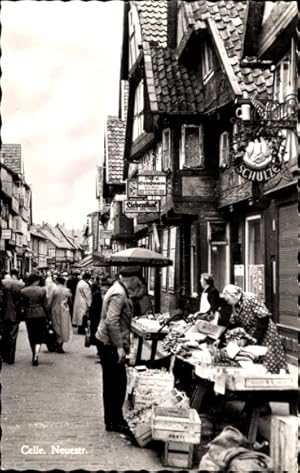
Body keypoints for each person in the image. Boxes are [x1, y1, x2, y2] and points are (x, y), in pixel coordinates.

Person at [95, 266, 141, 437]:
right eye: (137, 280)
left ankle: (113, 420)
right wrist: (120, 347)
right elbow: (111, 321)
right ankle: (114, 420)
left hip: (106, 342)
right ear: (131, 278)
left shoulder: (119, 290)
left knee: (113, 383)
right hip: (110, 344)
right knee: (117, 383)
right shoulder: (119, 294)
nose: (138, 283)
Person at [221, 284, 288, 374]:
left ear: (233, 296)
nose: (227, 303)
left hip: (265, 332)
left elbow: (263, 318)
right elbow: (232, 323)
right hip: (251, 333)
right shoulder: (235, 305)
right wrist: (221, 338)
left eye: (227, 300)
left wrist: (256, 338)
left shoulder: (250, 298)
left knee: (269, 357)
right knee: (256, 358)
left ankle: (274, 378)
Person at [21, 273, 50, 366]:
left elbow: (22, 304)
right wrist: (48, 316)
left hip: (28, 314)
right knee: (39, 335)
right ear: (37, 280)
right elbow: (45, 304)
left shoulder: (24, 291)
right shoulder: (42, 290)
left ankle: (33, 351)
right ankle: (36, 355)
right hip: (40, 314)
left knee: (31, 334)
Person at [1, 269, 25, 364]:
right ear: (17, 274)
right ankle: (11, 357)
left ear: (10, 274)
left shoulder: (3, 282)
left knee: (5, 335)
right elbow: (22, 301)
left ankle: (4, 356)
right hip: (15, 314)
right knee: (13, 336)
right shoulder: (20, 285)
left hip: (4, 313)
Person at [48, 276, 72, 353]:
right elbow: (70, 302)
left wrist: (47, 310)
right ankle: (60, 344)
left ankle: (57, 343)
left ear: (58, 281)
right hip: (65, 310)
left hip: (55, 309)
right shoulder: (67, 290)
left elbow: (49, 301)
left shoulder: (54, 290)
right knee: (63, 327)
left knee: (56, 326)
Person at [89, 276, 103, 350]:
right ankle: (100, 349)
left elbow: (92, 307)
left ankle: (99, 348)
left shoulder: (95, 295)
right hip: (98, 316)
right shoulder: (99, 295)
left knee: (96, 332)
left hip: (95, 316)